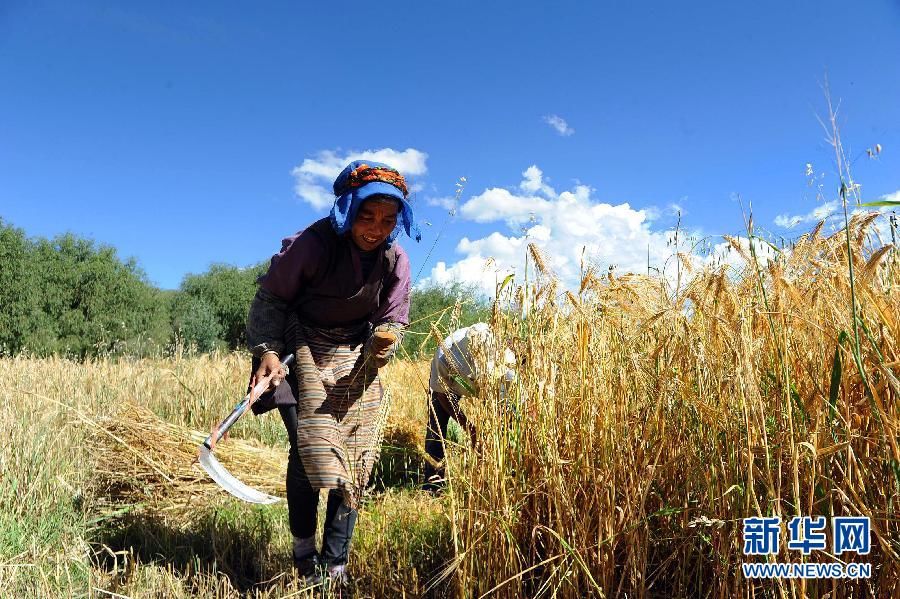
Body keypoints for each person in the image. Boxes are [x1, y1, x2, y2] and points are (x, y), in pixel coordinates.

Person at [245, 160, 420, 587]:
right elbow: (269, 300)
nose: (376, 229)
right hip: (298, 347)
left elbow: (392, 318)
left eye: (387, 219)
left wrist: (385, 339)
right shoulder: (313, 243)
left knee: (357, 460)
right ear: (347, 207)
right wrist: (267, 350)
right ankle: (303, 554)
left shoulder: (394, 258)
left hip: (354, 356)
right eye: (366, 216)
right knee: (308, 454)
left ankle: (335, 564)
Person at [423, 322, 516, 491]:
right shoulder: (445, 355)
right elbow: (442, 395)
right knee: (436, 425)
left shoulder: (506, 360)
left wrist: (493, 436)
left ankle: (510, 475)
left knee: (511, 423)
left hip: (492, 386)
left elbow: (504, 405)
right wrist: (471, 429)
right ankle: (432, 484)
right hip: (449, 387)